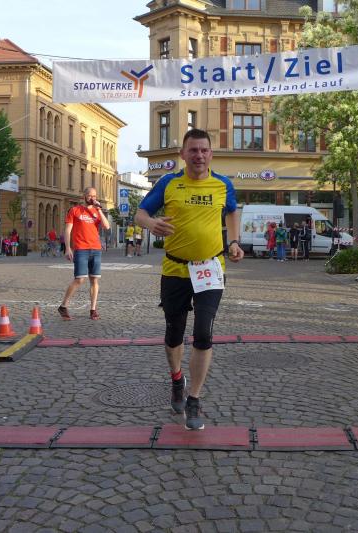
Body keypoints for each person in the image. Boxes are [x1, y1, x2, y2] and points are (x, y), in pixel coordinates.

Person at [134, 128, 243, 431]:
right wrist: (151, 223)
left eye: (204, 150)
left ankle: (194, 398)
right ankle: (176, 379)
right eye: (193, 150)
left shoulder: (223, 185)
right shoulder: (169, 183)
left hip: (210, 268)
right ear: (183, 154)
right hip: (175, 269)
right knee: (174, 333)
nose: (199, 155)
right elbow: (140, 213)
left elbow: (232, 212)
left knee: (204, 334)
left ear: (211, 154)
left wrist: (234, 241)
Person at [59, 187, 110, 321]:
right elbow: (68, 230)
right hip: (81, 249)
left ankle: (93, 309)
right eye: (90, 195)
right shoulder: (75, 210)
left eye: (94, 196)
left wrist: (99, 209)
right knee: (79, 279)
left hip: (96, 249)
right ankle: (63, 306)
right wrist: (68, 248)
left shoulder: (97, 211)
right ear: (84, 196)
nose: (92, 198)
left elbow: (107, 226)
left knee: (94, 280)